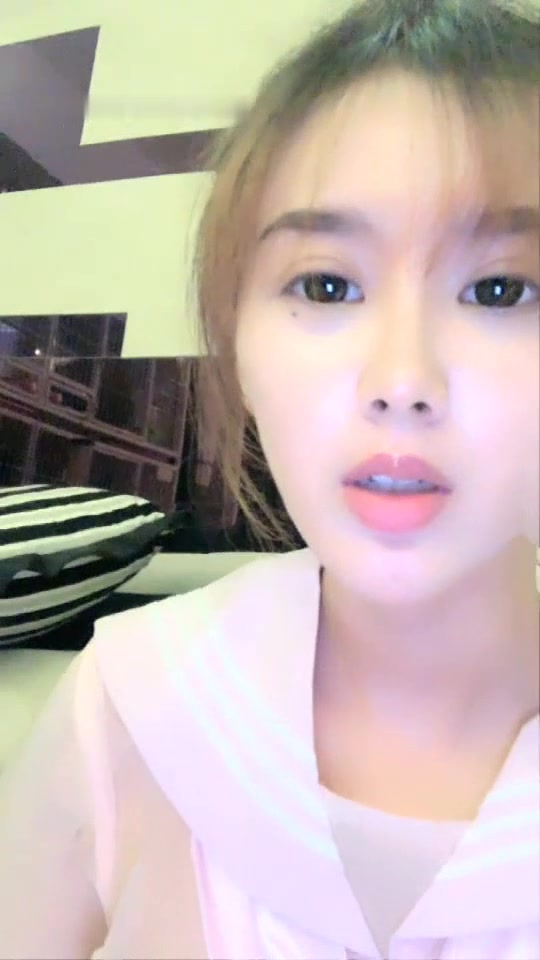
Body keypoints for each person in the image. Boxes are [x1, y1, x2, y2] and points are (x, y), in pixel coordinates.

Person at [1, 1, 539, 957]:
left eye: (499, 289)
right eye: (326, 285)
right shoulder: (128, 702)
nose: (402, 380)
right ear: (237, 342)